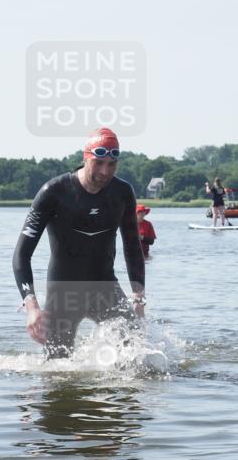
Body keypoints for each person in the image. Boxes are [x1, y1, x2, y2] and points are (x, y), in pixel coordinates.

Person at [13, 127, 146, 357]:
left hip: (105, 287)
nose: (105, 171)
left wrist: (138, 297)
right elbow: (21, 255)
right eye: (99, 162)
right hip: (64, 292)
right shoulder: (54, 192)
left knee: (137, 354)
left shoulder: (122, 192)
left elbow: (133, 246)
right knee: (57, 367)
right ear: (86, 158)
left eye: (111, 164)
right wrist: (31, 305)